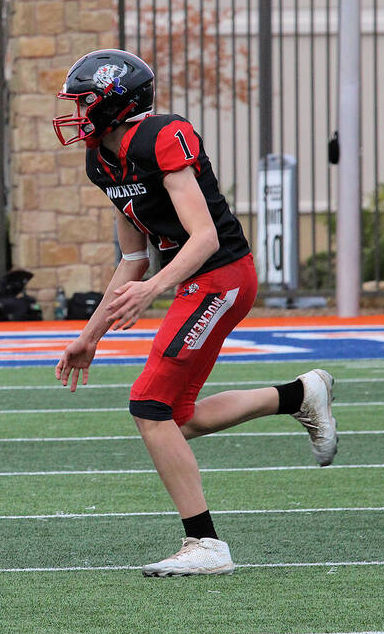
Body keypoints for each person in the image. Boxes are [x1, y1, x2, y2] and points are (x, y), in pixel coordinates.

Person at [51, 49, 338, 577]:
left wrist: (156, 289)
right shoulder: (101, 159)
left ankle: (206, 544)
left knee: (148, 405)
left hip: (222, 274)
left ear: (116, 102)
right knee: (175, 417)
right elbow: (133, 257)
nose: (76, 112)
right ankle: (301, 395)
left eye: (84, 101)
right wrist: (88, 335)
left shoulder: (161, 136)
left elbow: (203, 237)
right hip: (195, 280)